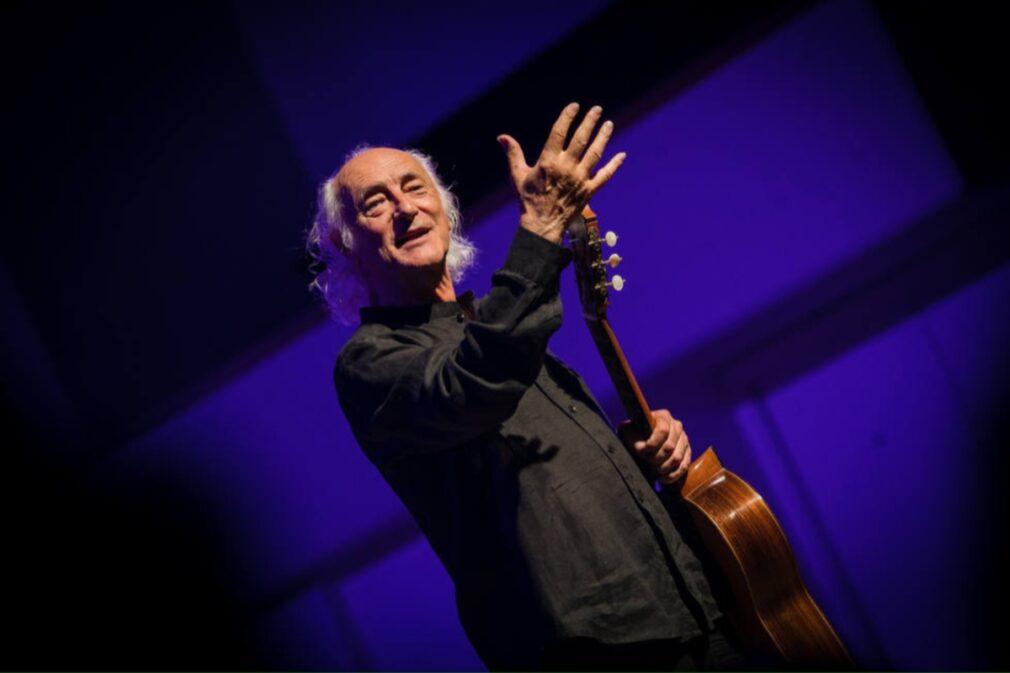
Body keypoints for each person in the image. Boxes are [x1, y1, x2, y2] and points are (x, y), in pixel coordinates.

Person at [309, 104, 746, 670]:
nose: (403, 208)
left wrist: (643, 456)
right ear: (347, 247)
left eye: (414, 188)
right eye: (375, 202)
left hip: (691, 610)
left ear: (443, 208)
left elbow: (550, 481)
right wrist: (540, 230)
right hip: (595, 651)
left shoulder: (490, 323)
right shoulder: (371, 363)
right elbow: (480, 381)